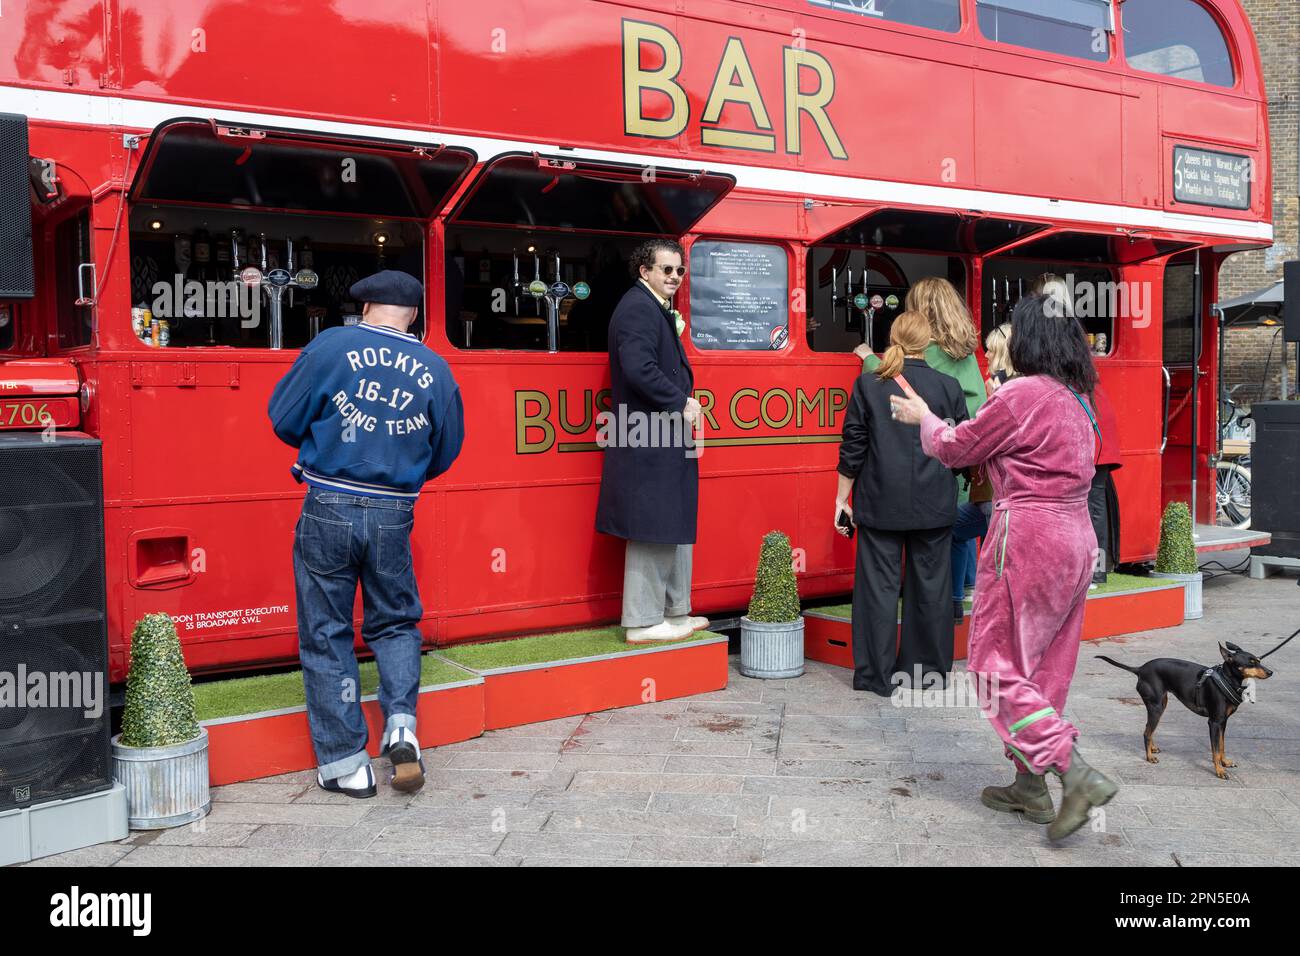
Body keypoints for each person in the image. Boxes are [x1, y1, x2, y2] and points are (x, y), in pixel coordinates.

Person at [889, 293, 1119, 841]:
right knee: (1047, 669)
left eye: (1015, 328)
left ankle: (1069, 766)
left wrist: (924, 417)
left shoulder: (1021, 395)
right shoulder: (1077, 397)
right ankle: (1030, 786)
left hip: (1028, 537)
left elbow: (954, 447)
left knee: (992, 666)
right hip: (1077, 540)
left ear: (1030, 337)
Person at [267, 270, 465, 799]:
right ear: (415, 316)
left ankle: (345, 764)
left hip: (328, 501)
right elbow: (445, 450)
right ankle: (401, 725)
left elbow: (282, 418)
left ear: (366, 305)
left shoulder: (332, 346)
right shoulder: (436, 369)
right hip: (394, 511)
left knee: (327, 630)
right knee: (396, 621)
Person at [835, 311, 968, 695]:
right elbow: (959, 445)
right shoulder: (949, 386)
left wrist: (842, 499)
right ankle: (925, 673)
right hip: (934, 504)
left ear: (893, 338)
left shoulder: (867, 385)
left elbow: (853, 448)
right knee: (932, 588)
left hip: (880, 501)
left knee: (877, 589)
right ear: (928, 342)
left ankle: (875, 676)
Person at [595, 239, 709, 643]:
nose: (675, 277)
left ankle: (675, 612)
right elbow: (638, 368)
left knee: (673, 517)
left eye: (679, 270)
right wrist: (681, 402)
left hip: (661, 431)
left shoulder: (650, 307)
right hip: (649, 432)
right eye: (666, 270)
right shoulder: (637, 308)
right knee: (652, 523)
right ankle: (643, 621)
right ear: (644, 271)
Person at [857, 276, 985, 621]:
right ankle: (962, 592)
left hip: (934, 450)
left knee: (947, 530)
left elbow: (903, 380)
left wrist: (868, 358)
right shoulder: (963, 349)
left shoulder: (931, 353)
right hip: (960, 448)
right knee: (956, 528)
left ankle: (953, 603)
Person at [1032, 273, 1122, 587]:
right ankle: (1095, 569)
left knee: (1085, 502)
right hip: (1097, 421)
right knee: (1093, 502)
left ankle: (1090, 569)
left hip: (1084, 423)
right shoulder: (1077, 332)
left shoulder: (1054, 335)